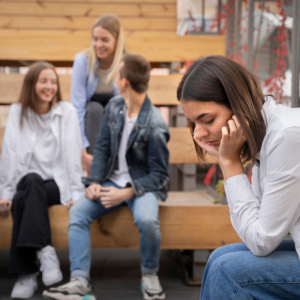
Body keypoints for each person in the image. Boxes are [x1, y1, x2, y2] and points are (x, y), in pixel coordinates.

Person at [43, 53, 170, 300]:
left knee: (147, 221)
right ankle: (80, 280)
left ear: (124, 81)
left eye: (117, 72)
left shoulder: (155, 125)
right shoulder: (114, 106)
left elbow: (160, 176)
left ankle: (150, 276)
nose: (114, 76)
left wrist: (127, 191)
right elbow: (101, 149)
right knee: (78, 212)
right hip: (109, 182)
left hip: (140, 186)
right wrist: (94, 182)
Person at [177, 55, 300, 299]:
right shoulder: (267, 135)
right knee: (219, 257)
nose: (198, 134)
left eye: (207, 119)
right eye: (193, 123)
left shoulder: (286, 136)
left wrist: (230, 162)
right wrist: (229, 160)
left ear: (238, 105)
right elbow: (257, 227)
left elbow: (261, 241)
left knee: (229, 271)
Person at [0, 62, 85, 299]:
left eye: (53, 82)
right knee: (23, 191)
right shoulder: (19, 111)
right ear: (32, 84)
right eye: (43, 81)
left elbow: (72, 153)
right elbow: (9, 153)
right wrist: (4, 193)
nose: (49, 86)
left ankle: (26, 274)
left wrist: (75, 193)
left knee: (25, 194)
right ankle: (45, 253)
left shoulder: (66, 111)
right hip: (27, 184)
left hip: (58, 185)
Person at [71, 14, 126, 175]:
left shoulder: (125, 63)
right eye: (95, 39)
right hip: (90, 119)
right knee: (94, 108)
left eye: (104, 40)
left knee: (114, 107)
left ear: (117, 40)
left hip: (114, 119)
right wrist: (82, 152)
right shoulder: (83, 61)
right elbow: (77, 108)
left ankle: (115, 166)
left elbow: (128, 107)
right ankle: (95, 169)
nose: (98, 44)